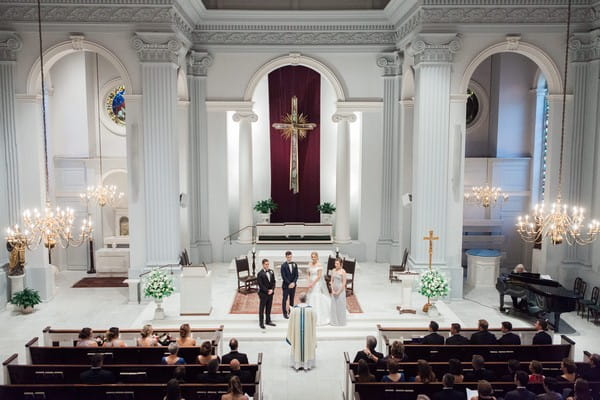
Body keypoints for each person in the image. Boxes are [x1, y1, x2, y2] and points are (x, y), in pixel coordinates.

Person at [286, 293, 317, 371]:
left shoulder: (294, 310)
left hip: (297, 335)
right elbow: (315, 321)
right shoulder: (311, 309)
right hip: (307, 335)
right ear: (306, 299)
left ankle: (297, 365)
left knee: (297, 346)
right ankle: (307, 365)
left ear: (299, 299)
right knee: (307, 345)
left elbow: (290, 322)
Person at [306, 251, 331, 325]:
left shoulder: (319, 265)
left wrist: (313, 283)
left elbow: (319, 276)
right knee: (310, 297)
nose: (313, 258)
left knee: (316, 296)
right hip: (311, 282)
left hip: (316, 283)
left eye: (314, 257)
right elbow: (307, 274)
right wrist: (308, 282)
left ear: (317, 257)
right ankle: (310, 316)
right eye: (312, 257)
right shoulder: (309, 264)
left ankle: (319, 317)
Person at [257, 258, 276, 329]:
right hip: (263, 293)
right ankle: (261, 323)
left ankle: (268, 320)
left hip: (270, 293)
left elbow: (274, 282)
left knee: (269, 307)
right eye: (266, 264)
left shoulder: (271, 271)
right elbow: (260, 285)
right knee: (262, 308)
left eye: (268, 264)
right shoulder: (260, 274)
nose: (267, 265)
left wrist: (272, 290)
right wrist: (267, 290)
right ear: (263, 265)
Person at [281, 250, 299, 319]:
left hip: (293, 285)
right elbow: (283, 276)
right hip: (286, 285)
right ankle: (284, 313)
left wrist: (294, 282)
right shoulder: (283, 266)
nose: (289, 258)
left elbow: (296, 275)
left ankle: (290, 311)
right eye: (288, 257)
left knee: (292, 299)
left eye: (290, 257)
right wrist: (289, 283)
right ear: (286, 257)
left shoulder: (294, 264)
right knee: (285, 299)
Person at [329, 257, 347, 326]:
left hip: (340, 290)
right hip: (334, 289)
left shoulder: (343, 271)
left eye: (337, 263)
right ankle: (334, 321)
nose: (336, 265)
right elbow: (331, 281)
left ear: (341, 264)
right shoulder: (333, 270)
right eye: (335, 263)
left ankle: (340, 321)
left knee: (340, 305)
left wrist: (339, 291)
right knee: (334, 306)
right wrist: (332, 290)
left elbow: (344, 283)